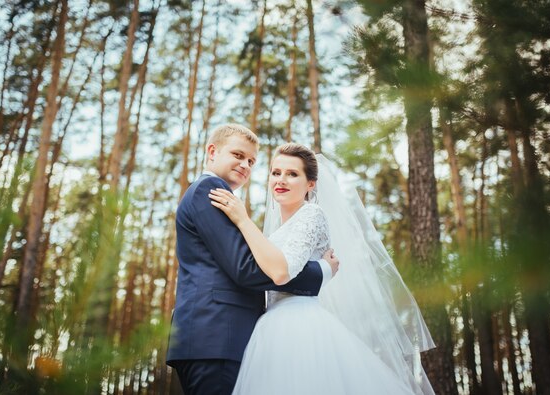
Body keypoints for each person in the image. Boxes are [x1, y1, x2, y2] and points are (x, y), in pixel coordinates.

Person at [209, 143, 436, 394]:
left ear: (310, 184)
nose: (281, 180)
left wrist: (242, 219)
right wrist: (324, 270)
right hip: (271, 325)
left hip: (300, 324)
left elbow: (283, 271)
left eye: (292, 174)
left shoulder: (312, 215)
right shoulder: (276, 231)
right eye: (276, 172)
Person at [166, 125, 339, 395]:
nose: (245, 164)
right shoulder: (210, 189)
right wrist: (321, 272)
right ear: (212, 151)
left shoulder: (224, 197)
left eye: (251, 161)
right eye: (238, 155)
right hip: (217, 334)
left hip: (224, 336)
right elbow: (247, 269)